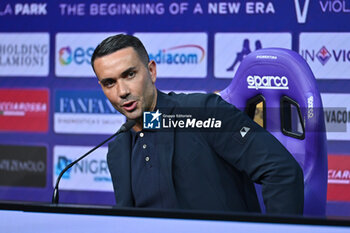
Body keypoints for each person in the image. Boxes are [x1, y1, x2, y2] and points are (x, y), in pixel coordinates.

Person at [91, 34, 304, 215]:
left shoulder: (201, 112)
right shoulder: (118, 149)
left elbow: (281, 171)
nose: (122, 91)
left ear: (151, 71)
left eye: (129, 74)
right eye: (110, 82)